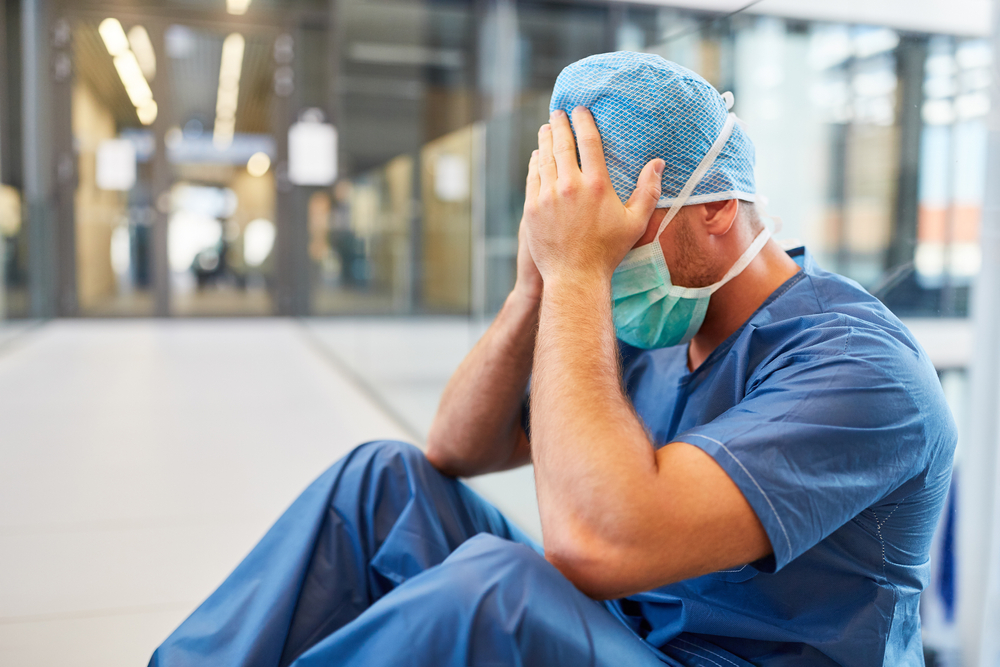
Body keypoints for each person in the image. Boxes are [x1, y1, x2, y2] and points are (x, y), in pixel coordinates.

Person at [149, 52, 956, 667]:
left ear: (714, 212)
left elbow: (598, 546)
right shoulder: (654, 326)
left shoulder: (859, 366)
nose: (598, 253)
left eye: (617, 232)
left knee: (493, 592)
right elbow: (456, 447)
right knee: (382, 483)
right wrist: (537, 282)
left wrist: (578, 271)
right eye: (580, 227)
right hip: (632, 636)